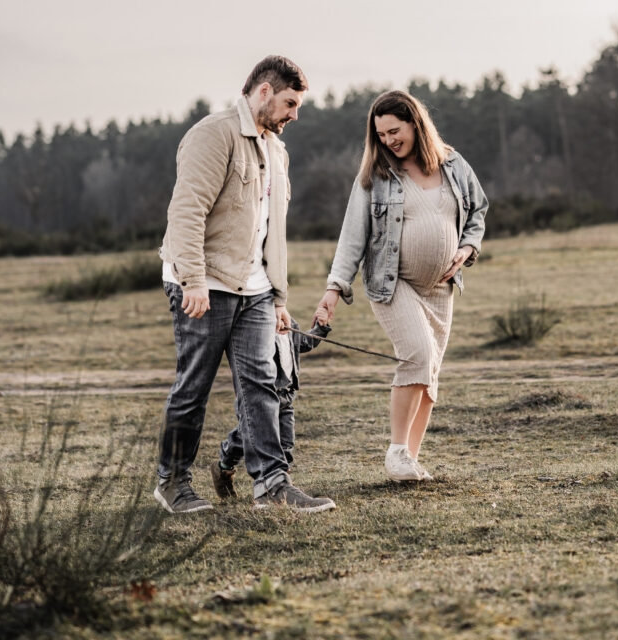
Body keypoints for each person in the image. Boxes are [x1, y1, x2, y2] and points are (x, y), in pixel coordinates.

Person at [155, 55, 335, 514]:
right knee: (194, 386)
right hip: (204, 285)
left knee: (262, 384)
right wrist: (193, 278)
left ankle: (272, 485)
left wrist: (278, 297)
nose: (295, 114)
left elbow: (273, 229)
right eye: (290, 103)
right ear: (262, 92)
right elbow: (186, 211)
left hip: (255, 290)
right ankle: (172, 482)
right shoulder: (212, 135)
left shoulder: (277, 150)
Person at [313, 90, 487, 483]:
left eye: (395, 130)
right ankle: (395, 453)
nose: (389, 140)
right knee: (418, 355)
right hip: (394, 285)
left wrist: (468, 247)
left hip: (440, 290)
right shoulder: (376, 176)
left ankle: (409, 459)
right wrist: (333, 289)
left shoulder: (453, 164)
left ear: (415, 123)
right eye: (381, 134)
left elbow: (478, 210)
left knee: (430, 372)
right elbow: (351, 237)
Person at [210, 317, 331, 498]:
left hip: (286, 396)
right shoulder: (257, 326)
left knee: (286, 443)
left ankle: (281, 485)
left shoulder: (292, 324)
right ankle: (224, 466)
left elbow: (303, 343)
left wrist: (320, 329)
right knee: (247, 435)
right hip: (261, 396)